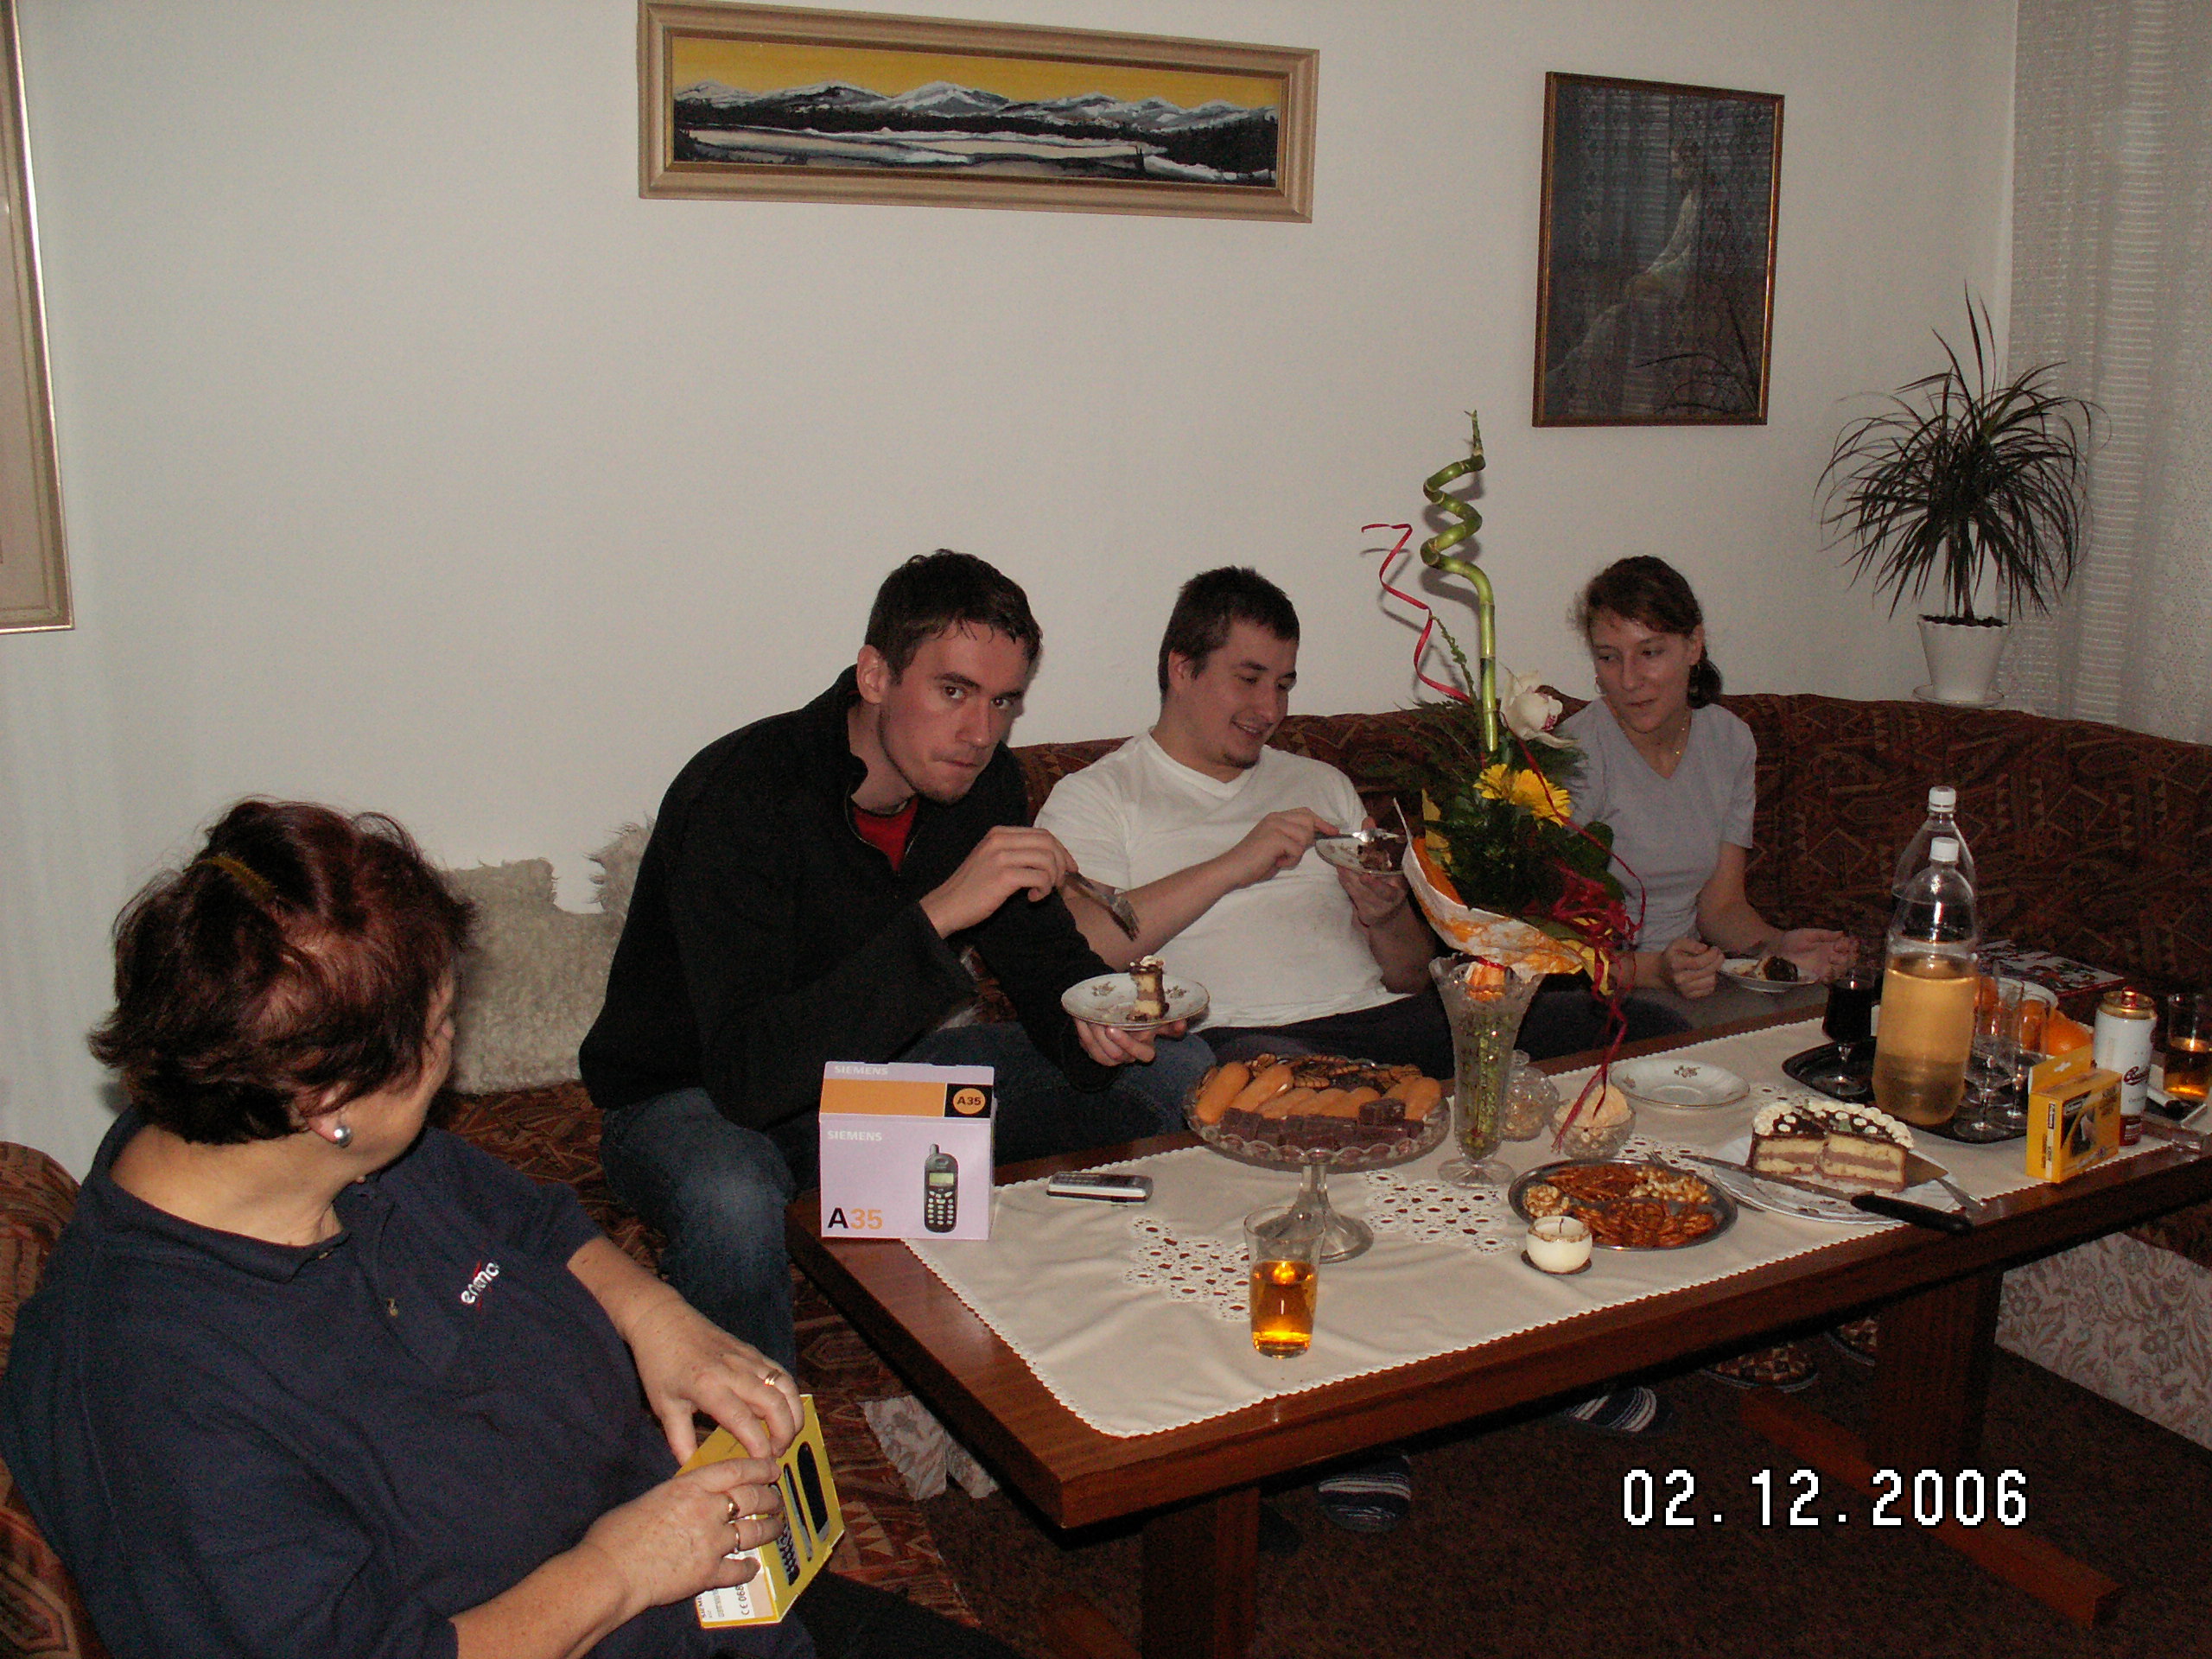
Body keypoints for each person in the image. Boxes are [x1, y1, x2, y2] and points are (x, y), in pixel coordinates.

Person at [0, 801, 1018, 1659]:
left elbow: (529, 1218)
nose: (454, 1052)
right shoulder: (154, 1394)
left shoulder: (325, 1157)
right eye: (441, 1029)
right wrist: (622, 1570)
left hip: (716, 1602)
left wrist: (657, 1318)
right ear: (329, 1100)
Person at [1038, 569, 1675, 1530]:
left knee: (1618, 1028)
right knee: (1321, 1112)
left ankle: (1556, 1342)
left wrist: (1383, 912)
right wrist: (1237, 862)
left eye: (1284, 683)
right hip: (1239, 1045)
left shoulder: (1321, 783)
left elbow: (1410, 973)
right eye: (1248, 678)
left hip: (1376, 1023)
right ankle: (1357, 1423)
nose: (1268, 708)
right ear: (1179, 667)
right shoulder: (1099, 797)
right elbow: (1086, 951)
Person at [580, 551, 1200, 1376]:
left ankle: (1135, 1372)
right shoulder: (742, 792)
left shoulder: (982, 785)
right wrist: (941, 914)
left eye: (1003, 701)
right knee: (731, 1197)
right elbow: (749, 1077)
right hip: (693, 1097)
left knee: (1177, 1073)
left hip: (873, 1080)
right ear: (875, 676)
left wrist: (1096, 1024)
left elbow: (1046, 967)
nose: (980, 733)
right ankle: (753, 1446)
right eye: (954, 691)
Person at [1567, 555, 1859, 1391]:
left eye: (1651, 652)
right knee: (1713, 1086)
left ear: (1694, 647)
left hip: (1695, 973)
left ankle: (1830, 1278)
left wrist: (1781, 948)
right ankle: (1726, 1314)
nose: (1629, 679)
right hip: (1602, 985)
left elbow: (1724, 907)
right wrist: (1652, 968)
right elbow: (1549, 943)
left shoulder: (1730, 740)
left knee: (1826, 1034)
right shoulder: (1573, 755)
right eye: (1609, 657)